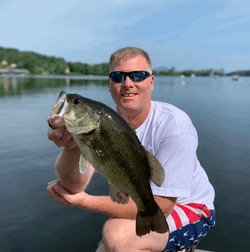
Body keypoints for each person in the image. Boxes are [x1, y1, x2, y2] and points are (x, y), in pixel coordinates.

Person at [47, 46, 215, 252]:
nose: (128, 83)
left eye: (138, 75)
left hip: (192, 208)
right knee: (107, 247)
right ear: (110, 85)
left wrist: (84, 201)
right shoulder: (95, 129)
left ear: (151, 82)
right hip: (145, 204)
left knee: (116, 236)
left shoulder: (175, 126)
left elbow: (162, 206)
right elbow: (72, 186)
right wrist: (71, 146)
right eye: (118, 76)